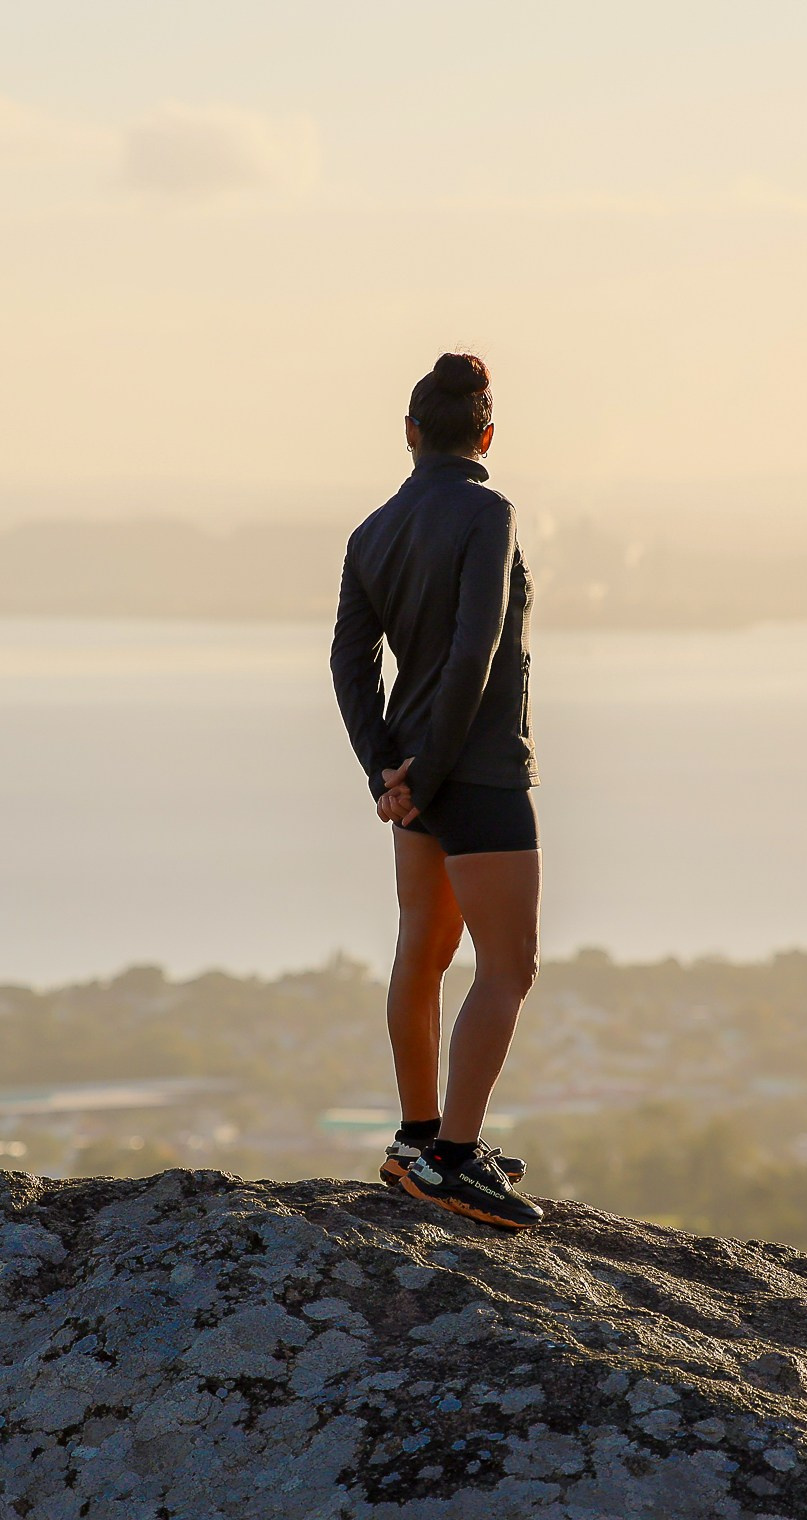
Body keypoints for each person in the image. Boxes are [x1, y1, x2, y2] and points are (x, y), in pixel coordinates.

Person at [330, 352, 543, 1231]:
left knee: (422, 950)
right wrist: (441, 769)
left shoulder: (373, 531)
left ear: (412, 434)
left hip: (415, 777)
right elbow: (477, 647)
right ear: (485, 436)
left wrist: (387, 768)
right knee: (507, 967)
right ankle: (452, 1161)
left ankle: (418, 1138)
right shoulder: (488, 509)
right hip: (480, 770)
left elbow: (350, 661)